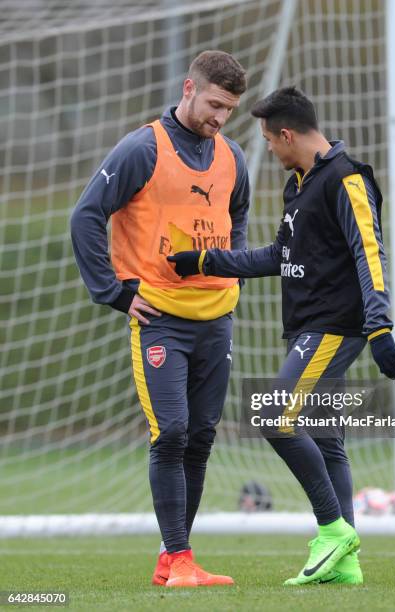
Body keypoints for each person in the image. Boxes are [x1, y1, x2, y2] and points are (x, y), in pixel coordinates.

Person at [168, 86, 395, 586]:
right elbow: (278, 256)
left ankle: (333, 530)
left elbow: (371, 254)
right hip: (309, 327)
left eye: (270, 142)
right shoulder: (298, 185)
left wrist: (380, 327)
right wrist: (207, 261)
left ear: (286, 133)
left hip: (333, 327)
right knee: (327, 439)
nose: (270, 151)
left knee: (273, 415)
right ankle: (345, 564)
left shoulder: (347, 178)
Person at [71, 50, 249, 588]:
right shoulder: (142, 147)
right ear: (189, 87)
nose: (220, 117)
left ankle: (175, 561)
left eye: (230, 109)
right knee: (169, 432)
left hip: (216, 318)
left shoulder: (233, 156)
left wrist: (231, 270)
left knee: (201, 436)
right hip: (160, 320)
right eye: (215, 104)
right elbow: (86, 216)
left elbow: (236, 215)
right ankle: (178, 557)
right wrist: (114, 292)